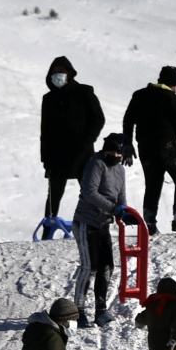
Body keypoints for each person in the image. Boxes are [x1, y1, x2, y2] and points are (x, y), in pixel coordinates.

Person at [122, 65, 176, 234]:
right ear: (173, 84)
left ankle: (149, 225)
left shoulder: (139, 95)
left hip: (145, 147)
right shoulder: (171, 99)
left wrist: (127, 144)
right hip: (168, 146)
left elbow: (128, 121)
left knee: (152, 184)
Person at [40, 56, 105, 232]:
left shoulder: (84, 92)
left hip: (82, 152)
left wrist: (87, 140)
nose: (57, 75)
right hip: (57, 154)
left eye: (61, 71)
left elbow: (98, 119)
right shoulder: (49, 99)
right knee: (54, 194)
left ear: (69, 73)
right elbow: (45, 132)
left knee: (89, 191)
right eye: (54, 72)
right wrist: (45, 158)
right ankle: (49, 228)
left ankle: (95, 224)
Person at [72, 133, 130, 326]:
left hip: (103, 224)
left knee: (107, 267)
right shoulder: (96, 164)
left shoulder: (120, 170)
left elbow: (121, 196)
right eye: (110, 151)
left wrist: (124, 211)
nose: (114, 155)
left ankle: (101, 309)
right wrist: (113, 209)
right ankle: (77, 310)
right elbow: (89, 192)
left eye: (117, 152)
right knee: (89, 267)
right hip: (86, 222)